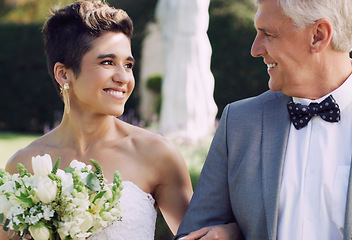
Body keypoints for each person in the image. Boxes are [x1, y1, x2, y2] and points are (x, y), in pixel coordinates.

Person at [0, 1, 240, 239]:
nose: (123, 77)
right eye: (107, 62)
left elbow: (200, 236)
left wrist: (230, 231)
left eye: (128, 65)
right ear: (64, 74)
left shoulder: (156, 154)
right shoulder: (23, 166)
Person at [175, 0, 352, 239]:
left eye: (268, 33)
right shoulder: (238, 125)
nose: (255, 49)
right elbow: (193, 234)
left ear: (318, 36)